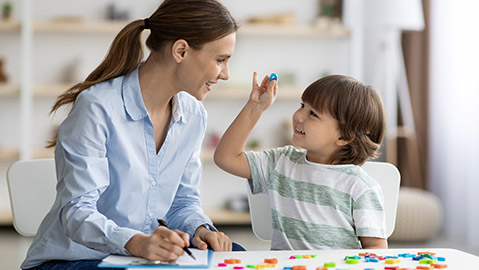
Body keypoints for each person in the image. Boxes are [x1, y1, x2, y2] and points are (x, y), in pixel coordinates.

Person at [22, 0, 241, 269]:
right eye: (220, 60)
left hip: (139, 256)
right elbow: (77, 213)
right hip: (76, 258)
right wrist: (136, 242)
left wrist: (201, 229)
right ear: (181, 50)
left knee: (233, 255)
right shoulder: (98, 107)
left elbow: (183, 201)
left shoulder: (193, 115)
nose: (226, 74)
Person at [214, 73, 388, 250]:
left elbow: (375, 249)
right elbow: (225, 158)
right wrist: (255, 108)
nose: (299, 116)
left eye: (313, 114)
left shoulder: (360, 186)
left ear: (344, 136)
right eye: (302, 105)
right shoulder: (280, 163)